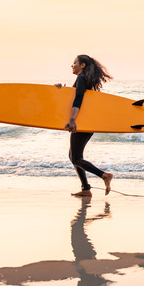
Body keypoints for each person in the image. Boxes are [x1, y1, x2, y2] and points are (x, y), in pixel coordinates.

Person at [56, 55, 114, 197]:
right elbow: (75, 95)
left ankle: (104, 175)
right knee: (73, 156)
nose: (72, 65)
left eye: (74, 63)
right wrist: (61, 91)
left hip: (82, 122)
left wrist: (72, 119)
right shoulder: (83, 79)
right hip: (87, 121)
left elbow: (79, 97)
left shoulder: (82, 78)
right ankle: (86, 188)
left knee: (76, 158)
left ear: (82, 65)